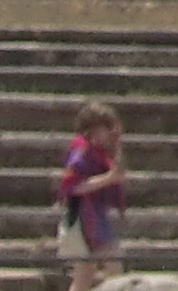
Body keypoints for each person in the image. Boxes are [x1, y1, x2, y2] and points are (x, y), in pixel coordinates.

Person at [54, 101, 124, 291]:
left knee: (84, 278)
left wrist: (117, 145)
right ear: (93, 129)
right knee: (113, 267)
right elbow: (73, 187)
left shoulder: (100, 152)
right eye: (106, 128)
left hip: (95, 217)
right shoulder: (82, 151)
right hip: (84, 220)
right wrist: (108, 179)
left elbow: (118, 172)